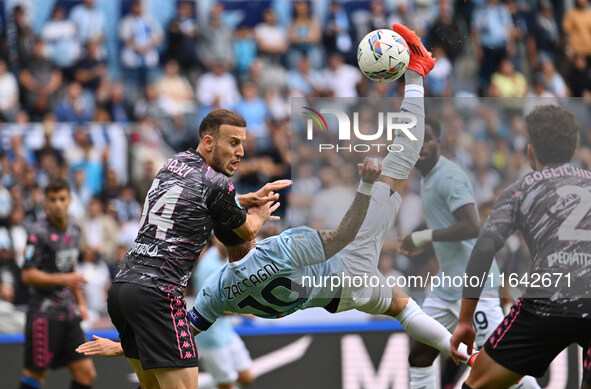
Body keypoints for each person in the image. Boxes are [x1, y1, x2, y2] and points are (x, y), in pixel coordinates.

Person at [81, 24, 474, 370]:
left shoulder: (217, 289)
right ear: (247, 234)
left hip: (337, 297)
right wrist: (366, 185)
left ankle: (459, 353)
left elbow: (187, 325)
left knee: (401, 305)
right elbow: (342, 237)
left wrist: (122, 348)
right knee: (400, 162)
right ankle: (418, 72)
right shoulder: (281, 249)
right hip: (346, 263)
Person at [106, 108, 291, 389]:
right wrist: (260, 213)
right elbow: (248, 231)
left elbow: (192, 197)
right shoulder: (218, 183)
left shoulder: (173, 163)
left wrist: (239, 199)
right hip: (159, 293)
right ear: (208, 142)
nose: (241, 152)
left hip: (123, 288)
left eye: (242, 143)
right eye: (233, 143)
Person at [450, 105, 591, 389]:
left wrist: (466, 319)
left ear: (530, 151)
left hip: (545, 303)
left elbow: (484, 248)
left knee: (475, 387)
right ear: (575, 148)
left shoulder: (519, 190)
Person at [398, 118, 542, 389]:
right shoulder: (429, 179)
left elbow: (471, 226)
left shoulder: (449, 177)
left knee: (501, 367)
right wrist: (421, 239)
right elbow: (446, 223)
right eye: (415, 140)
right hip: (447, 285)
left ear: (438, 142)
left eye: (427, 139)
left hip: (475, 287)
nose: (421, 146)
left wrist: (424, 237)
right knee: (420, 355)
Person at [16, 178, 96, 389]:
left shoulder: (75, 228)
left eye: (62, 199)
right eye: (52, 200)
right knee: (34, 379)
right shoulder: (37, 232)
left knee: (86, 374)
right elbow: (27, 274)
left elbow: (70, 269)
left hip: (68, 314)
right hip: (44, 315)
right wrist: (63, 280)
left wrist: (80, 303)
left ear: (69, 200)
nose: (58, 204)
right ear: (46, 203)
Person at [192, 237, 254, 389]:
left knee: (246, 377)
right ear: (215, 238)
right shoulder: (207, 268)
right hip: (211, 337)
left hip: (226, 331)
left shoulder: (229, 256)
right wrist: (243, 311)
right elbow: (208, 307)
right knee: (227, 388)